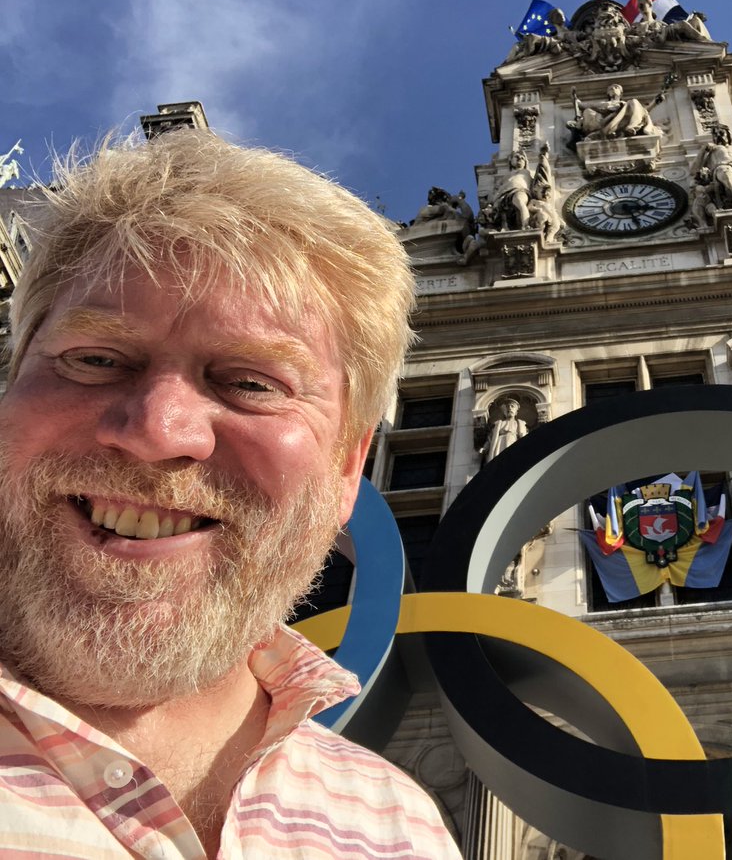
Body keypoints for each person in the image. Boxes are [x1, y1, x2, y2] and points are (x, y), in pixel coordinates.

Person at [0, 130, 462, 858]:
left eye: (251, 382)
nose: (159, 430)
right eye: (95, 359)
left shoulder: (397, 824)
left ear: (350, 466)